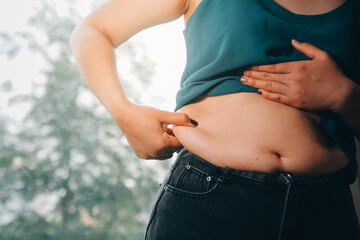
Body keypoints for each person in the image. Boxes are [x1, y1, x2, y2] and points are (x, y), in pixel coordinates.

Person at [70, 0, 360, 239]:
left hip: (325, 209)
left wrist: (345, 96)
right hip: (209, 196)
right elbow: (93, 30)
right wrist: (123, 112)